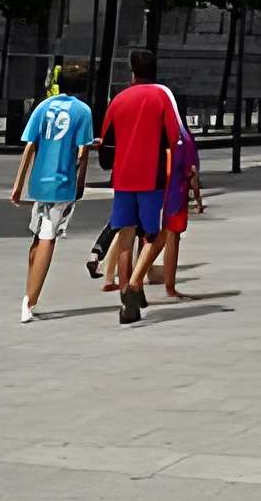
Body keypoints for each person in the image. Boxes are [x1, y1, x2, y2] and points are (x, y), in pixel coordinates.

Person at [96, 47, 182, 325]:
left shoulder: (118, 100)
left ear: (132, 71)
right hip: (152, 177)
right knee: (154, 236)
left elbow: (107, 144)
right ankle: (134, 285)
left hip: (122, 178)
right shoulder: (161, 97)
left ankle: (126, 296)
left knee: (125, 236)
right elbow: (173, 138)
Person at [9, 68, 95, 324]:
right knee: (48, 237)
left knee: (38, 236)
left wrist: (17, 185)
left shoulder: (43, 106)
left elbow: (29, 145)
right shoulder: (83, 111)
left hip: (39, 182)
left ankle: (29, 291)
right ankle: (30, 300)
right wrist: (80, 183)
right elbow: (83, 151)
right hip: (62, 183)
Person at [149, 114, 203, 301]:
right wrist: (198, 199)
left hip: (156, 189)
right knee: (173, 236)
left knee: (161, 236)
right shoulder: (185, 138)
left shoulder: (161, 132)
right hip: (177, 192)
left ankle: (136, 278)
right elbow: (192, 171)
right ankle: (170, 288)